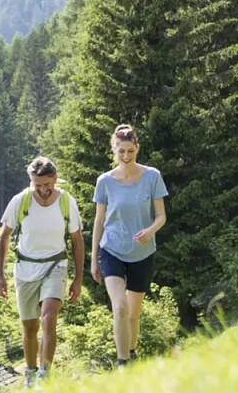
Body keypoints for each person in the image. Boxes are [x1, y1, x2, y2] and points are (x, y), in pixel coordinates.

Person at [0, 156, 84, 387]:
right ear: (31, 182)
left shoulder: (66, 202)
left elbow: (77, 240)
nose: (44, 190)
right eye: (38, 185)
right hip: (26, 268)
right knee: (30, 326)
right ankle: (31, 372)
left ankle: (46, 372)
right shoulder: (20, 201)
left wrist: (78, 279)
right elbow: (4, 237)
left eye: (48, 184)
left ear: (55, 179)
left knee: (49, 317)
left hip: (56, 265)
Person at [90, 124, 168, 367]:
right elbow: (99, 220)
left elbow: (161, 216)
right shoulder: (104, 182)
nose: (125, 157)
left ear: (137, 149)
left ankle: (131, 354)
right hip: (111, 249)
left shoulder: (152, 176)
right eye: (121, 151)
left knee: (133, 314)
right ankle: (122, 363)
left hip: (143, 252)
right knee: (120, 307)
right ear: (114, 150)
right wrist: (94, 259)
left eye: (130, 152)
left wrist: (150, 230)